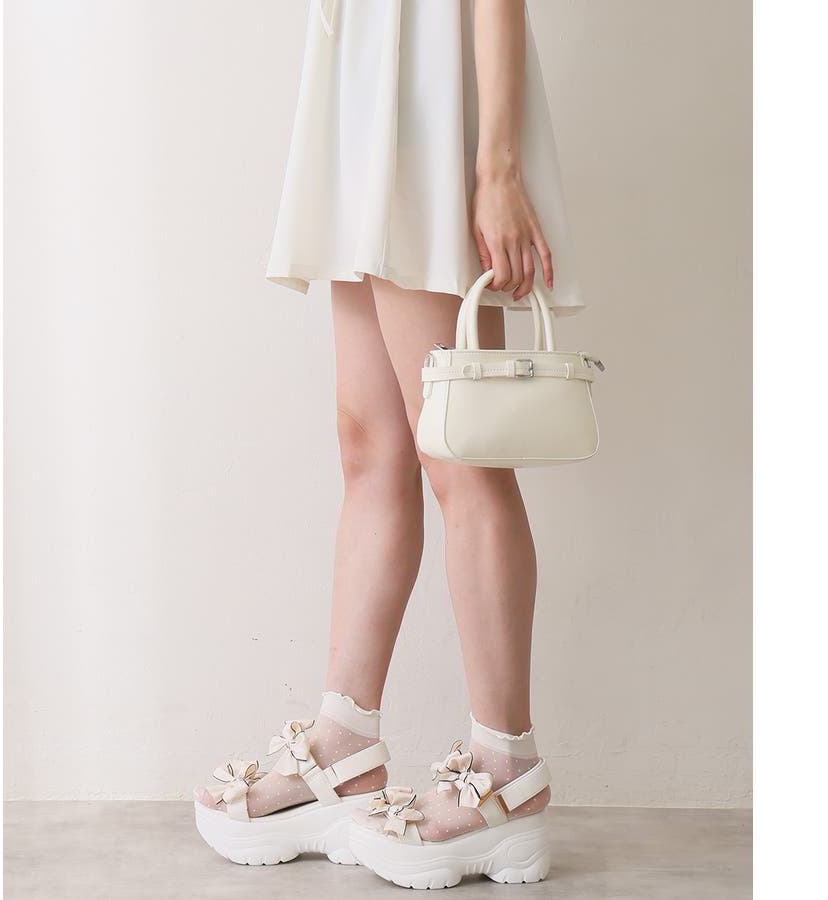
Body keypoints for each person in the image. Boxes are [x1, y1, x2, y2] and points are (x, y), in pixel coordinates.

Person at [195, 0, 583, 888]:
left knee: (460, 447)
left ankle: (506, 769)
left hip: (426, 82)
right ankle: (344, 746)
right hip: (363, 83)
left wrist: (495, 165)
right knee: (370, 444)